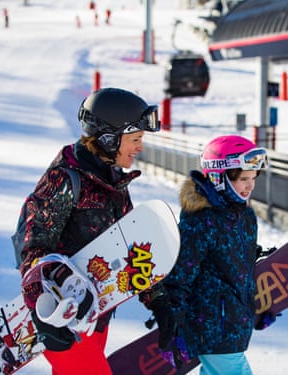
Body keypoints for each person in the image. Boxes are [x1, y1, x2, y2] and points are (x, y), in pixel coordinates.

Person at [18, 87, 160, 375]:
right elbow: (34, 249)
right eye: (134, 139)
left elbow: (132, 250)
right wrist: (42, 308)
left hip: (98, 315)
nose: (139, 147)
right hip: (63, 320)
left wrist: (158, 300)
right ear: (109, 139)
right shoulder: (65, 179)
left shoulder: (114, 183)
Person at [140, 135, 269, 375]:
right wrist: (172, 325)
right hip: (210, 324)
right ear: (218, 177)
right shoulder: (201, 220)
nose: (250, 186)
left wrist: (256, 310)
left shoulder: (245, 217)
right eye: (243, 179)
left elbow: (239, 274)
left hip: (233, 324)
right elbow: (179, 275)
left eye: (253, 178)